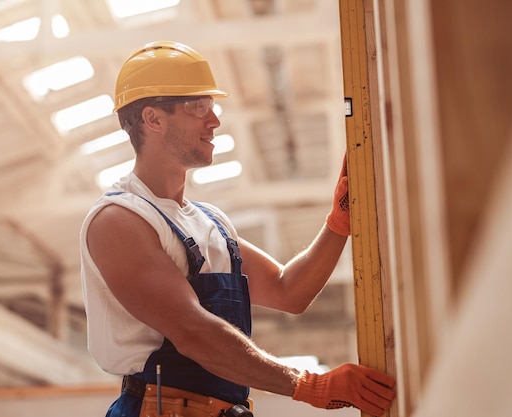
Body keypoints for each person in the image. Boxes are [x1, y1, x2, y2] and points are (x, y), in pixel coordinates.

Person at [80, 40, 395, 417]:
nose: (213, 121)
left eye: (212, 107)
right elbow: (194, 332)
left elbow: (288, 291)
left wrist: (338, 222)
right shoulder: (119, 220)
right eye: (198, 107)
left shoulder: (210, 222)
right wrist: (309, 384)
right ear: (153, 119)